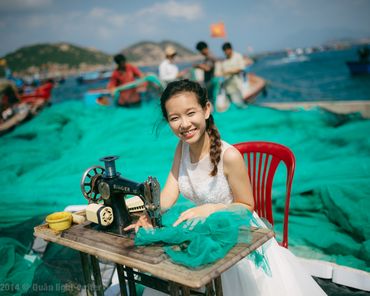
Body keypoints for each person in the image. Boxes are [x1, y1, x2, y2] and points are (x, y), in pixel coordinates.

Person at [125, 79, 327, 296]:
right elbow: (168, 194)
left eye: (190, 113)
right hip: (203, 229)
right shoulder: (181, 147)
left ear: (206, 110)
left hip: (236, 232)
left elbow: (246, 205)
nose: (184, 124)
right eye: (175, 118)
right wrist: (149, 212)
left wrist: (210, 209)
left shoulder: (229, 156)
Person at [219, 42, 247, 108]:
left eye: (226, 50)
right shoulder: (225, 61)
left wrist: (229, 72)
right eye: (224, 51)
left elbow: (241, 69)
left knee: (239, 104)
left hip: (236, 84)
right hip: (227, 86)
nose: (225, 52)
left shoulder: (238, 56)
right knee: (232, 106)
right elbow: (222, 73)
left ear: (230, 49)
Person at [194, 41, 216, 105]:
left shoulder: (210, 57)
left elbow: (208, 68)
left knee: (210, 98)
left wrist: (198, 66)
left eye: (200, 51)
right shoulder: (207, 57)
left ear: (203, 49)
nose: (200, 53)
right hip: (208, 80)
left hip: (211, 80)